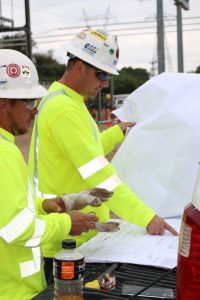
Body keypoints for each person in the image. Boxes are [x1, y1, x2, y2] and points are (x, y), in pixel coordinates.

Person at [28, 28, 178, 284]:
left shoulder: (66, 100)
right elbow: (99, 174)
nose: (105, 82)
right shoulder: (64, 109)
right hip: (67, 243)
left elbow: (86, 149)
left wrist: (118, 132)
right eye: (101, 73)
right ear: (77, 66)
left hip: (79, 237)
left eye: (108, 75)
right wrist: (146, 217)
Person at [0, 49, 105, 300]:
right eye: (28, 102)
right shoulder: (5, 154)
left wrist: (45, 204)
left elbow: (7, 206)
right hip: (14, 291)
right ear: (3, 103)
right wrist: (68, 223)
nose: (34, 111)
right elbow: (14, 229)